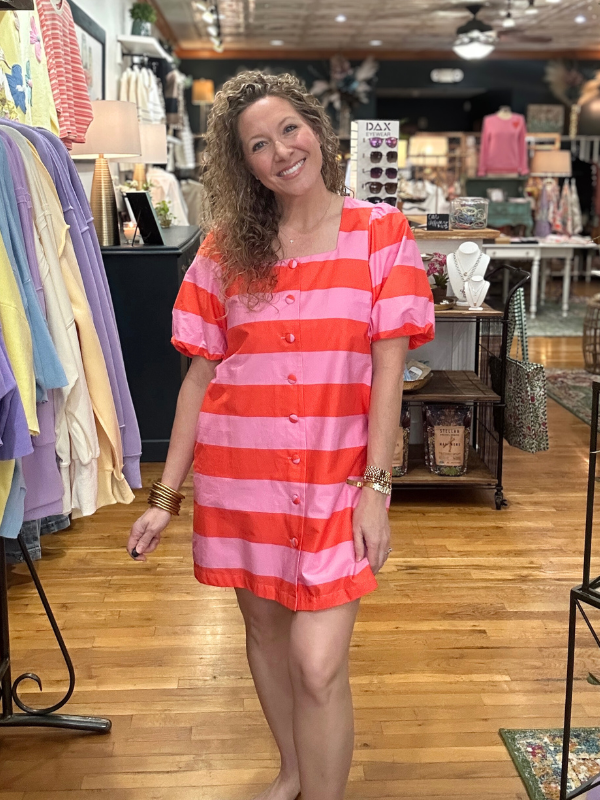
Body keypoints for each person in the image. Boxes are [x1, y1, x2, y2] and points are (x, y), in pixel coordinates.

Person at [127, 71, 434, 800]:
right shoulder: (226, 249)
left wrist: (376, 490)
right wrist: (164, 498)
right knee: (264, 635)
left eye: (288, 130)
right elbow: (198, 381)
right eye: (258, 145)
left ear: (317, 130)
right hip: (243, 480)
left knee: (318, 664)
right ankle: (294, 769)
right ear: (245, 165)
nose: (280, 152)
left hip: (339, 483)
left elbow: (387, 375)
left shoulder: (382, 235)